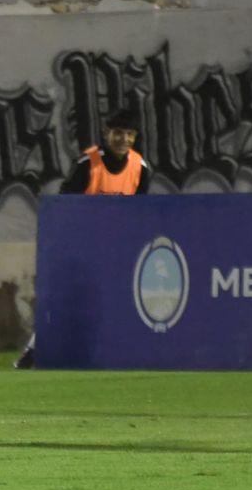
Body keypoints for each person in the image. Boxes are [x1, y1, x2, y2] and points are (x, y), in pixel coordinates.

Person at [15, 107, 151, 369]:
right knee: (62, 300)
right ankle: (34, 349)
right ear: (106, 134)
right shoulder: (89, 164)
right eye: (118, 133)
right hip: (81, 247)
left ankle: (109, 354)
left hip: (114, 248)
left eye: (129, 134)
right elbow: (66, 206)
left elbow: (139, 212)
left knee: (116, 302)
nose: (123, 139)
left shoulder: (139, 167)